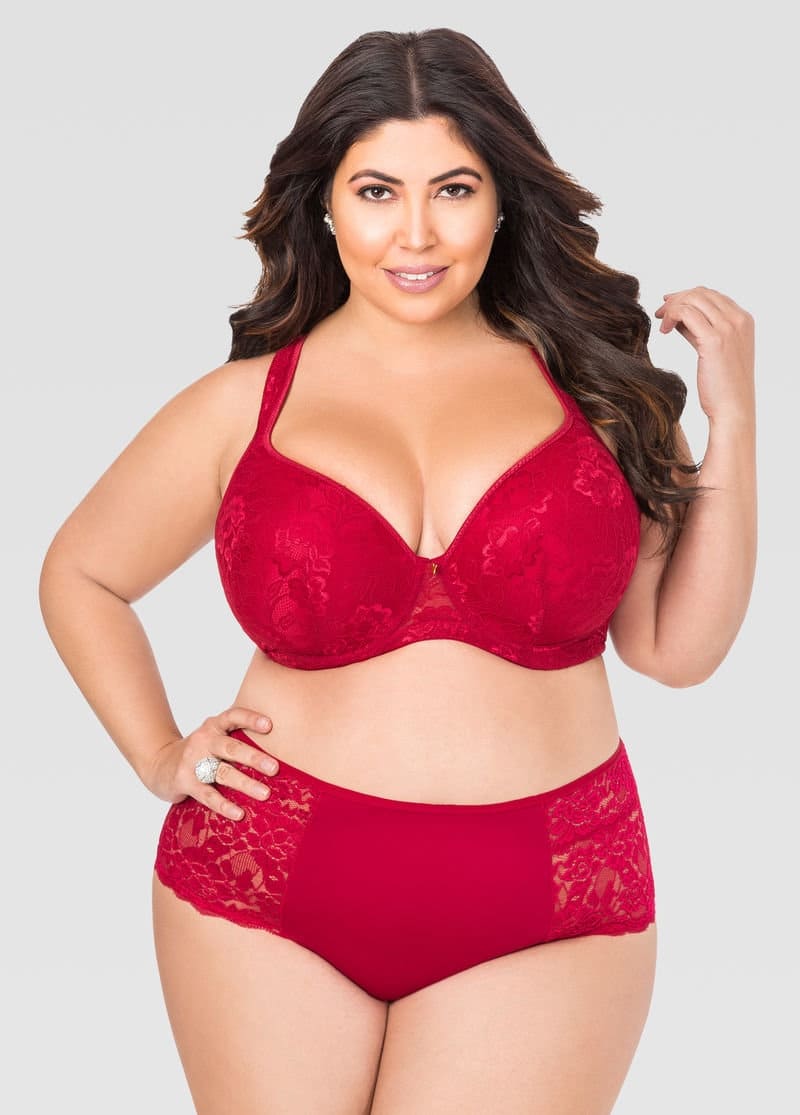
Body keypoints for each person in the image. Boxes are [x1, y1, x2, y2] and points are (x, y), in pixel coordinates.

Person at [38, 26, 756, 1115]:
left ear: (502, 199)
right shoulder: (243, 406)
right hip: (268, 882)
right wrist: (157, 751)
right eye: (376, 191)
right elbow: (82, 573)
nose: (414, 232)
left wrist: (732, 418)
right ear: (325, 204)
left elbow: (674, 648)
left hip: (550, 896)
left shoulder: (600, 394)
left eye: (453, 189)